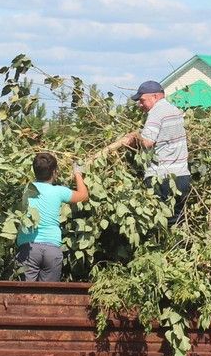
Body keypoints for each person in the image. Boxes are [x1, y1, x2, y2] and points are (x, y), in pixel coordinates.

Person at [106, 80, 191, 225]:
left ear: (155, 97)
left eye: (142, 100)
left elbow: (147, 142)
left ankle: (162, 246)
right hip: (182, 176)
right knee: (176, 220)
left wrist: (132, 138)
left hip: (162, 178)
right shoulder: (176, 111)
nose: (140, 104)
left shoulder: (156, 113)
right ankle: (178, 246)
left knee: (158, 221)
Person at [15, 151, 89, 282]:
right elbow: (83, 195)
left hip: (28, 250)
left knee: (25, 295)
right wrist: (77, 173)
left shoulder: (25, 189)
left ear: (34, 171)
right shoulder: (59, 191)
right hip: (52, 250)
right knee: (47, 297)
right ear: (54, 172)